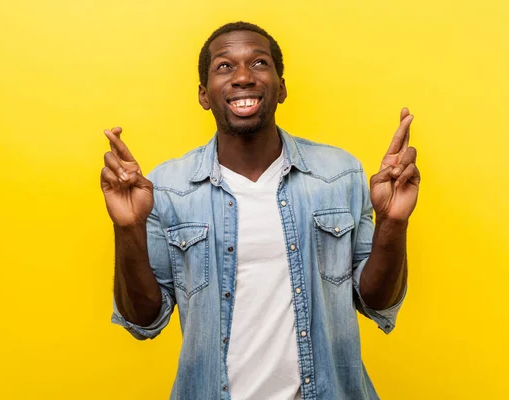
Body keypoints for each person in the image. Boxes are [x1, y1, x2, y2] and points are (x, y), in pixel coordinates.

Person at [100, 21, 420, 400]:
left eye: (258, 63)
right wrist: (128, 228)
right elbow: (143, 320)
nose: (242, 77)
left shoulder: (339, 174)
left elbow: (377, 301)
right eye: (224, 66)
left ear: (281, 87)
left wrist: (393, 223)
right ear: (204, 95)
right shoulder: (168, 189)